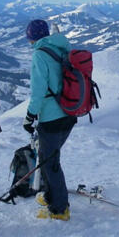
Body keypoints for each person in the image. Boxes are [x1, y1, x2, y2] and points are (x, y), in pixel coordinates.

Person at [23, 19, 77, 221]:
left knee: (50, 163)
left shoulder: (40, 55)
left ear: (32, 38)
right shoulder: (61, 48)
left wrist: (29, 117)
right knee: (50, 159)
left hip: (52, 118)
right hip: (69, 113)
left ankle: (60, 209)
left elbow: (37, 91)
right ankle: (51, 196)